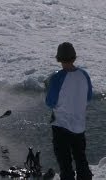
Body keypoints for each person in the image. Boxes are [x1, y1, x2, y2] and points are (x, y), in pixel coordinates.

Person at [45, 42, 93, 180]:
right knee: (81, 160)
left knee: (65, 165)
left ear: (59, 58)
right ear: (74, 57)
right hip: (79, 126)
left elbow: (50, 102)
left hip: (61, 126)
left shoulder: (56, 77)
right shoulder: (84, 75)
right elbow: (88, 97)